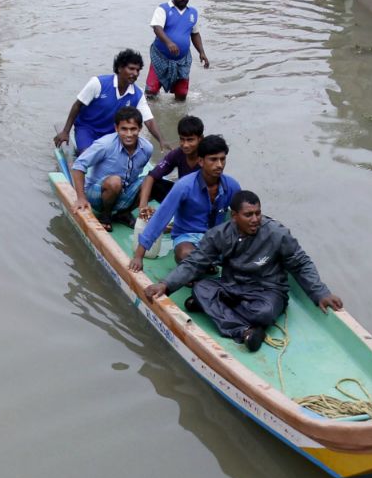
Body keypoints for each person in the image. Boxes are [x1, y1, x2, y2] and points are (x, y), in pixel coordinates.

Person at [145, 191, 344, 352]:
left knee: (263, 314)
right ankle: (245, 331)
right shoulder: (219, 235)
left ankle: (215, 310)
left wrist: (321, 293)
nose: (255, 219)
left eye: (258, 213)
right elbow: (195, 263)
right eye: (248, 215)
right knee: (201, 288)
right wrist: (165, 284)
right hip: (232, 287)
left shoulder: (277, 233)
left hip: (267, 291)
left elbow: (301, 264)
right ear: (234, 217)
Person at [128, 135, 238, 271]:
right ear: (201, 161)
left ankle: (208, 263)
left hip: (217, 237)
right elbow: (160, 218)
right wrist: (139, 256)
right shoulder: (184, 186)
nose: (219, 165)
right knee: (185, 254)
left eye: (222, 159)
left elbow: (241, 214)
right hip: (188, 237)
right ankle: (206, 264)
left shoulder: (232, 186)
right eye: (213, 160)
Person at [54, 49, 167, 154]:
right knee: (88, 156)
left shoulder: (138, 94)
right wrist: (66, 132)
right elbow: (77, 106)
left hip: (112, 135)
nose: (135, 73)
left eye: (138, 70)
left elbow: (149, 120)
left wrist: (161, 140)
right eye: (131, 69)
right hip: (87, 129)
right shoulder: (98, 83)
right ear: (119, 68)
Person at [70, 106, 154, 230]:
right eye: (124, 129)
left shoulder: (147, 148)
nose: (129, 134)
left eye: (133, 129)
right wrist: (81, 198)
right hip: (97, 195)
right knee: (115, 181)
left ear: (140, 129)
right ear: (116, 128)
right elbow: (78, 166)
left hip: (124, 193)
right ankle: (106, 215)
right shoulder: (105, 144)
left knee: (151, 180)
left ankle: (123, 213)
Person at [146, 0, 209, 101]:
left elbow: (195, 34)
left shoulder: (193, 13)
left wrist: (202, 52)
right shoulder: (163, 9)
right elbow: (157, 28)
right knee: (151, 92)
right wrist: (168, 42)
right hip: (160, 57)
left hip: (182, 60)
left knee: (181, 95)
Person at [136, 115, 203, 218]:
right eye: (182, 139)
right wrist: (143, 206)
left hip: (202, 200)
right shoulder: (177, 154)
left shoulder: (208, 156)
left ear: (200, 139)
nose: (185, 145)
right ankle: (128, 212)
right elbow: (151, 177)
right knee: (149, 183)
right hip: (182, 195)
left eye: (190, 140)